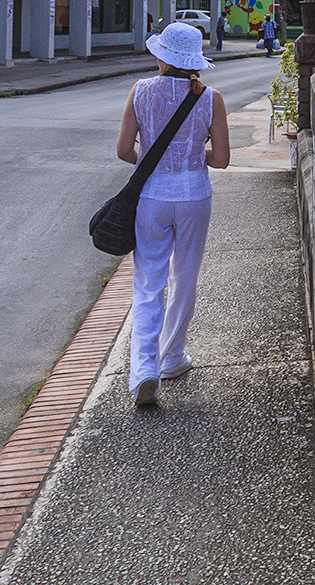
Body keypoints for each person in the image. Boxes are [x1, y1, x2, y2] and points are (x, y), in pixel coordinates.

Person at [114, 20, 228, 408]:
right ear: (194, 61)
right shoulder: (210, 97)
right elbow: (224, 159)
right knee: (185, 275)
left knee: (148, 281)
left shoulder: (141, 91)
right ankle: (172, 357)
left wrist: (151, 160)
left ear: (162, 56)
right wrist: (195, 157)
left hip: (152, 196)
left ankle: (143, 369)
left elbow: (124, 150)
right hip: (195, 194)